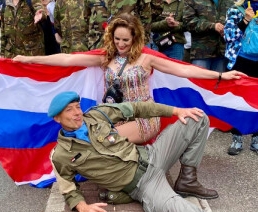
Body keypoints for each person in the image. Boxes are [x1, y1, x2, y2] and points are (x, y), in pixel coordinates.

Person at [47, 91, 258, 212]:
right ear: (57, 118)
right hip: (145, 186)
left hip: (154, 154)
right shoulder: (62, 154)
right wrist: (83, 208)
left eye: (77, 106)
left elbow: (137, 108)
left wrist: (176, 111)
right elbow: (68, 188)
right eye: (69, 110)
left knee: (197, 117)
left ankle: (187, 178)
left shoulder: (96, 115)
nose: (77, 113)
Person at [13, 13, 245, 147]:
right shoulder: (106, 56)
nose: (121, 44)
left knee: (105, 141)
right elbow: (67, 59)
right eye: (117, 39)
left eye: (125, 40)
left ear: (135, 38)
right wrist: (30, 60)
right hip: (113, 116)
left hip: (144, 117)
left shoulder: (147, 59)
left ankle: (130, 176)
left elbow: (184, 71)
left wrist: (222, 75)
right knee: (83, 137)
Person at [224, 0, 258, 155]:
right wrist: (245, 20)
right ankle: (236, 139)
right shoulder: (235, 10)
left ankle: (256, 140)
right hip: (240, 61)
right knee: (238, 101)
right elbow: (228, 36)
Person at [183, 0, 234, 72]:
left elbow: (235, 21)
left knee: (218, 82)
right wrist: (212, 26)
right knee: (199, 82)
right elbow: (188, 22)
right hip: (201, 53)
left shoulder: (231, 1)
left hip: (222, 52)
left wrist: (228, 30)